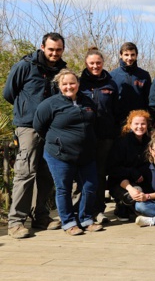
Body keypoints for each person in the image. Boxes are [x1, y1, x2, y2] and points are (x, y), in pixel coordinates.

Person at [3, 32, 66, 239]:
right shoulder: (25, 66)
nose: (54, 53)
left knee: (47, 173)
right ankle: (16, 222)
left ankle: (41, 216)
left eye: (58, 50)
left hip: (52, 128)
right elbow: (9, 93)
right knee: (25, 172)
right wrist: (27, 111)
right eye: (50, 49)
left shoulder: (62, 70)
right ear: (42, 47)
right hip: (28, 127)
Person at [33, 68, 102, 235]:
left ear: (78, 84)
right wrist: (59, 141)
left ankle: (85, 218)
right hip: (59, 155)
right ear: (59, 85)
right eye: (65, 84)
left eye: (72, 83)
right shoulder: (49, 104)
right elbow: (39, 126)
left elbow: (93, 122)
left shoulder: (87, 101)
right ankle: (69, 222)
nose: (69, 86)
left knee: (90, 186)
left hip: (86, 154)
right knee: (63, 188)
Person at [79, 47, 119, 224]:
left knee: (100, 173)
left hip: (105, 135)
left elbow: (116, 110)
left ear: (103, 63)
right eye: (91, 63)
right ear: (86, 64)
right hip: (85, 136)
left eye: (98, 63)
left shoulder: (111, 83)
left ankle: (98, 210)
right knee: (82, 173)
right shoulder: (79, 83)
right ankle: (81, 210)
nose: (95, 66)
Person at [107, 110, 152, 221]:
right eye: (136, 124)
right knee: (135, 192)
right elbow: (112, 169)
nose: (140, 127)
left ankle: (132, 207)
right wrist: (132, 172)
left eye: (143, 124)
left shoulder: (149, 141)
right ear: (130, 125)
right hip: (120, 182)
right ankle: (122, 205)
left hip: (142, 179)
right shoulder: (121, 142)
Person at [110, 42, 152, 126]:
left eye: (132, 55)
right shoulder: (112, 75)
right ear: (120, 55)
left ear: (136, 55)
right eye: (126, 55)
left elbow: (149, 99)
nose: (129, 58)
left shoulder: (144, 75)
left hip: (139, 121)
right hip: (119, 121)